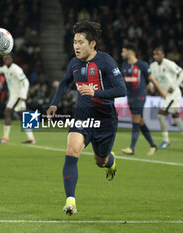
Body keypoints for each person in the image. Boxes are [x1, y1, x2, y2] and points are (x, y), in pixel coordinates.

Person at [46, 20, 126, 216]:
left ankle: (110, 161)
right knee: (71, 152)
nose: (76, 46)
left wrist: (95, 92)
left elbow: (121, 89)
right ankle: (70, 201)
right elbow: (65, 83)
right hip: (82, 118)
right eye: (74, 42)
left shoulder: (106, 61)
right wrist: (54, 103)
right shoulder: (74, 63)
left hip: (105, 120)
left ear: (92, 44)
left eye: (81, 42)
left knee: (101, 160)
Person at [120, 43, 167, 156]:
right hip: (130, 97)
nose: (122, 54)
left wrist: (161, 92)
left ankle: (132, 148)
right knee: (140, 122)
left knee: (135, 121)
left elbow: (152, 79)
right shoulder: (124, 66)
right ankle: (153, 145)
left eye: (124, 51)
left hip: (139, 97)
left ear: (130, 52)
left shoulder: (142, 65)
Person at [150, 47, 183, 150]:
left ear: (163, 55)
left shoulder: (169, 63)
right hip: (166, 95)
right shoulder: (152, 66)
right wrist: (151, 86)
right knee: (176, 118)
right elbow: (153, 79)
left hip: (174, 94)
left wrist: (174, 85)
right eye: (154, 54)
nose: (155, 56)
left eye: (158, 54)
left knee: (160, 115)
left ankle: (166, 141)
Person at [0, 54, 35, 144]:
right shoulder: (5, 68)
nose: (7, 60)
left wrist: (23, 96)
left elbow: (25, 82)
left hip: (18, 95)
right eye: (5, 58)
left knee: (7, 113)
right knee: (22, 116)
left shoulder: (16, 69)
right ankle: (31, 138)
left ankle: (5, 138)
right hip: (13, 95)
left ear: (12, 59)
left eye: (8, 58)